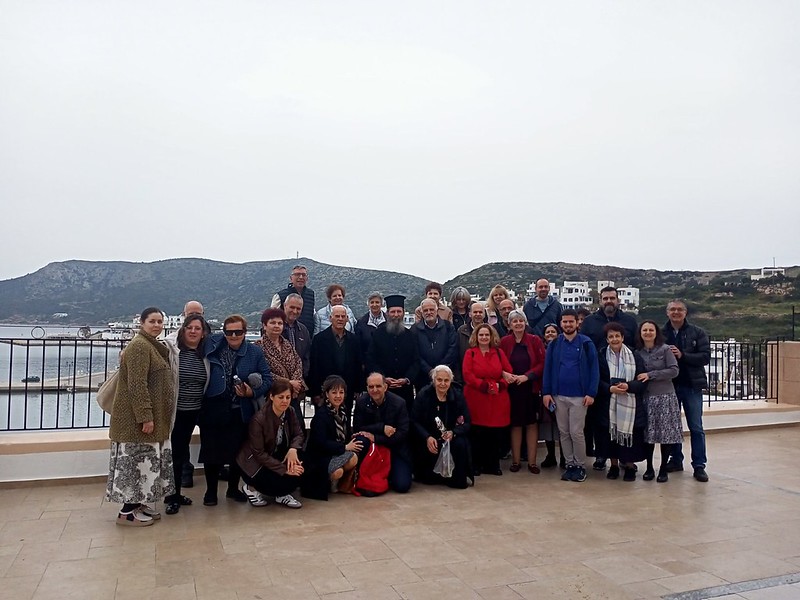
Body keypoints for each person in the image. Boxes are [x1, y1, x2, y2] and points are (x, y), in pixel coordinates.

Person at [106, 307, 175, 527]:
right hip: (134, 422)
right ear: (142, 323)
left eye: (160, 321)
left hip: (150, 418)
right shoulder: (139, 346)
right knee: (134, 464)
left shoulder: (151, 345)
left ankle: (138, 504)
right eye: (152, 321)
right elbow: (137, 385)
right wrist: (145, 416)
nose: (157, 325)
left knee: (143, 464)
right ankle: (127, 512)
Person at [201, 315, 272, 506]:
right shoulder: (213, 345)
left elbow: (267, 379)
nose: (233, 336)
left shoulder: (254, 352)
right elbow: (190, 339)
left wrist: (252, 392)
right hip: (214, 407)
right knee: (211, 452)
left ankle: (233, 489)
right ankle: (211, 491)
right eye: (229, 332)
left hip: (240, 409)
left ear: (245, 332)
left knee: (238, 452)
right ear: (223, 332)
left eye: (238, 332)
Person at [579, 286, 638, 470]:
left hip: (625, 378)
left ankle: (624, 457)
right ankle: (601, 455)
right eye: (605, 298)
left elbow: (636, 346)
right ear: (600, 300)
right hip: (600, 376)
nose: (609, 301)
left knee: (623, 419)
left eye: (612, 298)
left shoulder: (629, 321)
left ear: (618, 300)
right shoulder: (589, 322)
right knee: (600, 421)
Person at [542, 309, 599, 483]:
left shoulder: (586, 343)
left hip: (579, 396)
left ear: (577, 323)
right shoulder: (554, 344)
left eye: (571, 321)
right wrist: (546, 392)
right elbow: (548, 369)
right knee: (564, 432)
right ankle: (570, 465)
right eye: (565, 322)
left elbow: (594, 369)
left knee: (576, 432)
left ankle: (580, 466)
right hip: (558, 395)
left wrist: (591, 392)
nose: (568, 324)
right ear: (561, 323)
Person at [162, 314, 210, 515]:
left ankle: (175, 493)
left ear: (203, 333)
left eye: (197, 328)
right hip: (177, 412)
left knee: (181, 453)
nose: (193, 331)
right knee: (176, 454)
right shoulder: (173, 351)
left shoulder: (205, 354)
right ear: (183, 330)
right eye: (189, 327)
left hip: (196, 411)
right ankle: (173, 496)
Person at [237, 377, 305, 509]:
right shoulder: (259, 420)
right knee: (278, 480)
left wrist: (293, 449)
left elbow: (299, 434)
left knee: (301, 466)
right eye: (281, 397)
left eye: (288, 397)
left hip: (275, 454)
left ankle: (282, 494)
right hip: (255, 464)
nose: (285, 401)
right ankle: (251, 488)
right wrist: (284, 469)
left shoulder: (290, 411)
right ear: (272, 397)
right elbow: (259, 454)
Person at [662, 299, 711, 482]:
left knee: (696, 427)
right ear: (667, 312)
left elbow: (705, 357)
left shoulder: (697, 332)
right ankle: (676, 460)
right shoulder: (661, 333)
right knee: (673, 427)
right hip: (669, 386)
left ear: (685, 312)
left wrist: (683, 355)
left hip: (691, 386)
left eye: (679, 309)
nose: (676, 312)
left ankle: (699, 465)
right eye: (672, 309)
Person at [598, 323, 647, 482]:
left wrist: (629, 386)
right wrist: (609, 388)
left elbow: (642, 380)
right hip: (608, 403)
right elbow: (597, 379)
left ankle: (630, 467)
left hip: (630, 404)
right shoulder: (601, 355)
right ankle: (613, 466)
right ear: (607, 339)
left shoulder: (634, 355)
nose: (614, 339)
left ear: (623, 337)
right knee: (610, 436)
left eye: (617, 336)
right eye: (611, 336)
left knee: (630, 438)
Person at [462, 323, 512, 476]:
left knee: (494, 433)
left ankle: (492, 465)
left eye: (486, 335)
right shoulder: (470, 353)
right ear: (476, 337)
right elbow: (467, 374)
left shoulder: (499, 353)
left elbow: (508, 371)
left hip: (496, 398)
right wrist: (483, 385)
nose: (484, 337)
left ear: (491, 337)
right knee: (477, 433)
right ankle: (476, 464)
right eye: (481, 335)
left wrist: (500, 385)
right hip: (477, 397)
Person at [499, 310, 545, 474]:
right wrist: (505, 374)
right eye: (514, 321)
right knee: (515, 425)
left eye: (520, 320)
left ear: (525, 323)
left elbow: (542, 363)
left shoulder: (534, 340)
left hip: (530, 388)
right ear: (509, 325)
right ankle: (516, 461)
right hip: (512, 389)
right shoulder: (504, 342)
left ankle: (532, 462)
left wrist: (527, 376)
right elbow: (498, 362)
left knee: (532, 424)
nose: (518, 323)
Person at [303, 375, 363, 500]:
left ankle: (339, 483)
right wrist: (345, 447)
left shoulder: (343, 412)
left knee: (353, 457)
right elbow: (321, 443)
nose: (338, 396)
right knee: (342, 466)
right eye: (334, 392)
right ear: (327, 394)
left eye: (341, 392)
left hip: (334, 453)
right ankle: (329, 482)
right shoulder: (321, 415)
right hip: (320, 457)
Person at [635, 320, 682, 483]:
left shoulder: (665, 349)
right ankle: (649, 467)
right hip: (646, 398)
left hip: (664, 397)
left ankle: (663, 468)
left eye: (651, 330)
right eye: (644, 330)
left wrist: (651, 375)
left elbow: (674, 370)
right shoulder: (637, 352)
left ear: (656, 332)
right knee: (648, 435)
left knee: (665, 435)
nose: (648, 333)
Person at [411, 365, 472, 489]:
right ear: (434, 380)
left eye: (446, 380)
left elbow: (467, 423)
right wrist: (427, 437)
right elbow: (414, 421)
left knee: (461, 443)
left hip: (450, 438)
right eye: (439, 380)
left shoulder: (458, 396)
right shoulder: (423, 394)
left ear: (451, 381)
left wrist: (453, 432)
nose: (443, 384)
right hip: (430, 439)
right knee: (429, 479)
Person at [353, 372, 413, 493]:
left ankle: (388, 473)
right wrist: (382, 428)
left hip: (394, 448)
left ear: (385, 387)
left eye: (378, 386)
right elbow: (357, 428)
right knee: (360, 439)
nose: (374, 390)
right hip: (371, 449)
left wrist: (376, 438)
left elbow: (402, 433)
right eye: (371, 387)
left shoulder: (399, 403)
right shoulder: (361, 402)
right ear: (367, 388)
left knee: (402, 486)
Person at [255, 308, 307, 428]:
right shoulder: (258, 347)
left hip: (292, 395)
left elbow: (298, 363)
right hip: (273, 396)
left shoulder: (287, 344)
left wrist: (295, 383)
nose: (276, 326)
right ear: (264, 325)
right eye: (272, 323)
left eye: (280, 323)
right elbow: (263, 372)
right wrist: (289, 383)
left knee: (297, 427)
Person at [308, 305, 363, 418]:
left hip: (347, 391)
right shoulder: (319, 340)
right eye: (337, 316)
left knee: (345, 421)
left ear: (347, 319)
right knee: (324, 422)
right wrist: (315, 392)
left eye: (343, 316)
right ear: (330, 318)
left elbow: (358, 366)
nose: (340, 319)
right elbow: (314, 367)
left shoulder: (354, 340)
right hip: (325, 392)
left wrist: (358, 389)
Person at [366, 295, 419, 410]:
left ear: (403, 313)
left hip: (405, 389)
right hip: (383, 389)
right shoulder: (378, 334)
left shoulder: (410, 335)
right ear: (387, 314)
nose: (396, 315)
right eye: (393, 312)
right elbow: (370, 359)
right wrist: (383, 378)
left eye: (399, 312)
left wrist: (407, 379)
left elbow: (416, 361)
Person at [414, 298, 459, 390]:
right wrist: (429, 371)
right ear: (421, 312)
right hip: (423, 377)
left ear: (437, 310)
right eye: (425, 310)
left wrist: (440, 369)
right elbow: (415, 353)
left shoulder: (448, 327)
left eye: (431, 309)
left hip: (445, 375)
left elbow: (453, 348)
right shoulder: (414, 330)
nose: (429, 312)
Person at [539, 323, 564, 468]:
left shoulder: (563, 347)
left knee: (562, 426)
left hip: (561, 391)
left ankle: (564, 457)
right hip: (545, 391)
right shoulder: (540, 349)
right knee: (548, 425)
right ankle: (550, 456)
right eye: (547, 332)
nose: (550, 334)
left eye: (553, 332)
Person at [271, 265, 315, 336]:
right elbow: (271, 317)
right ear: (291, 278)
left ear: (307, 278)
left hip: (306, 337)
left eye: (303, 275)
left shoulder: (311, 294)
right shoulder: (280, 296)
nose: (301, 277)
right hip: (285, 336)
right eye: (297, 274)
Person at [282, 293, 311, 380]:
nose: (295, 311)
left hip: (299, 380)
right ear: (285, 306)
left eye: (298, 309)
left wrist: (302, 374)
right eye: (292, 307)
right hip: (279, 381)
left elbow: (307, 356)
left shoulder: (303, 330)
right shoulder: (275, 328)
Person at [456, 302, 487, 382]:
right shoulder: (461, 331)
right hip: (466, 375)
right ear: (470, 314)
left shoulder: (490, 330)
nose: (478, 314)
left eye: (480, 312)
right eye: (475, 312)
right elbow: (457, 355)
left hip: (485, 375)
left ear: (484, 314)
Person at [355, 291, 386, 356]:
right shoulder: (361, 323)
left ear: (381, 304)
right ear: (368, 304)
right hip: (368, 359)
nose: (374, 305)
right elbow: (358, 345)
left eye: (377, 302)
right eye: (372, 302)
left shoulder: (389, 321)